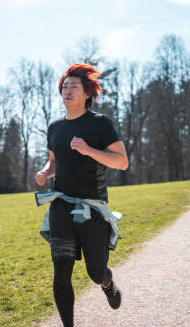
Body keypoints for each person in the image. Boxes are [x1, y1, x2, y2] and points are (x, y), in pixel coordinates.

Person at [35, 63, 129, 327]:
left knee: (95, 271)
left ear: (88, 93)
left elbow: (122, 162)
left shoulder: (99, 124)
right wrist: (44, 172)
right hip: (61, 207)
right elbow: (53, 162)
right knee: (61, 271)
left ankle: (107, 282)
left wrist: (89, 150)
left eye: (74, 86)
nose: (68, 90)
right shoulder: (55, 127)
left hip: (92, 207)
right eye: (65, 86)